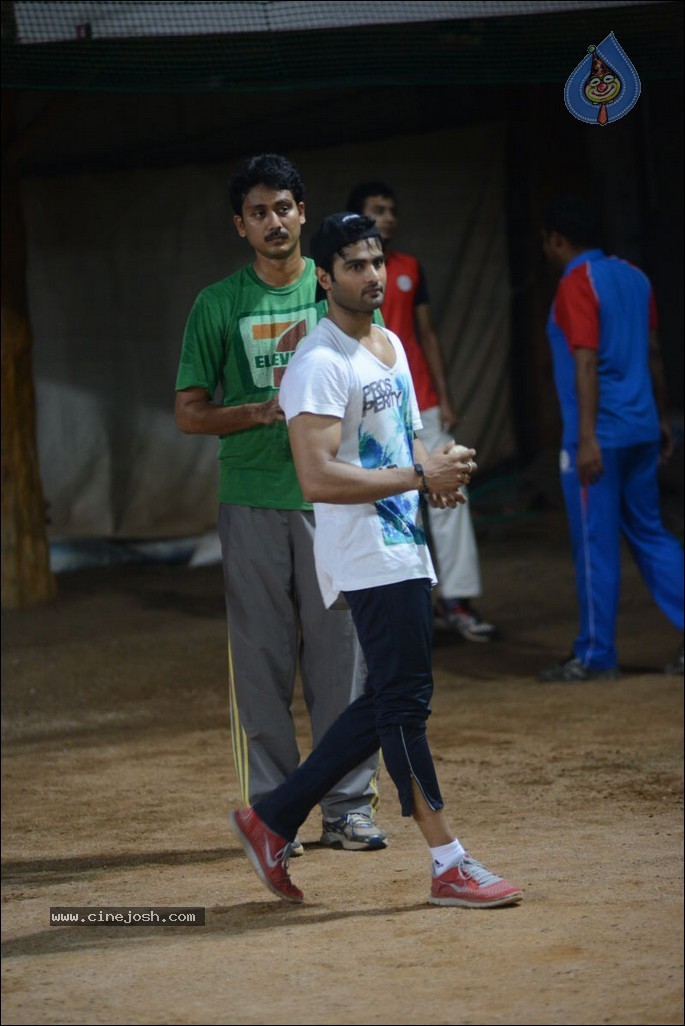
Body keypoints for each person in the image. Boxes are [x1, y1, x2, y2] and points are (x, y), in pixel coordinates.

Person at [229, 211, 523, 909]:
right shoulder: (319, 363)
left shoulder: (389, 343)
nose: (371, 276)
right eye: (354, 266)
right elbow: (318, 478)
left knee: (388, 698)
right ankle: (447, 859)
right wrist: (420, 481)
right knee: (404, 704)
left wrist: (436, 474)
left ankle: (269, 820)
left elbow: (399, 451)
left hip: (402, 544)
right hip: (364, 553)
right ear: (324, 277)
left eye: (376, 262)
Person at [175, 154, 387, 853]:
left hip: (335, 500)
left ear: (303, 212)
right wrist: (261, 413)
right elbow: (189, 413)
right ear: (241, 226)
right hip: (253, 501)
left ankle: (348, 809)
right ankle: (274, 812)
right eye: (258, 212)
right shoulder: (216, 305)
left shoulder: (336, 289)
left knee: (343, 661)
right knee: (261, 664)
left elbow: (379, 368)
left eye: (284, 207)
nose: (274, 221)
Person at [345, 181, 497, 643]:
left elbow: (427, 335)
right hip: (372, 404)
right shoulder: (338, 273)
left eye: (392, 210)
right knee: (389, 500)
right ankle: (406, 603)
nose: (388, 217)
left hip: (423, 400)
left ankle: (458, 601)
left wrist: (445, 397)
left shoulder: (410, 268)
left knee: (449, 493)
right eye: (378, 210)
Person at [540, 195, 684, 681]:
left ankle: (596, 655)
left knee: (594, 544)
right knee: (650, 533)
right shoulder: (635, 277)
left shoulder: (576, 282)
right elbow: (655, 353)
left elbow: (584, 361)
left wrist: (585, 439)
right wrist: (661, 418)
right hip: (642, 427)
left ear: (557, 240)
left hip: (599, 438)